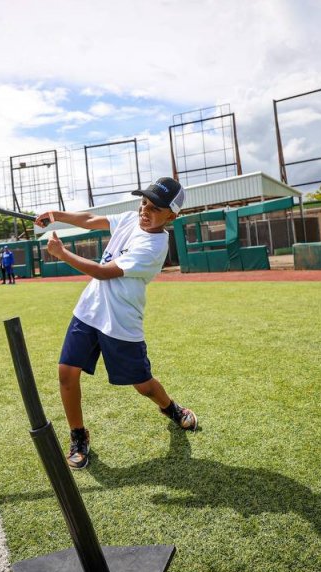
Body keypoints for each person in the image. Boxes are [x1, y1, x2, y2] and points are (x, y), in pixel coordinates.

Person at [35, 176, 199, 470]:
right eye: (144, 203)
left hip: (121, 320)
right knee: (66, 372)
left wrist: (62, 254)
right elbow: (89, 220)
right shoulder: (129, 218)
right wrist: (56, 216)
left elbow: (103, 271)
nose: (145, 211)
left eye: (155, 208)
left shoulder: (154, 247)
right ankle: (78, 435)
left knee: (143, 385)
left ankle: (170, 407)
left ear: (171, 216)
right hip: (89, 309)